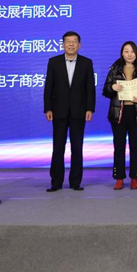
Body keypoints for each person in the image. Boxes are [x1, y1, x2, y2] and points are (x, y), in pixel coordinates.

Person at [43, 31, 95, 192]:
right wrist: (48, 108)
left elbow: (90, 88)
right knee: (58, 147)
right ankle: (56, 182)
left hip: (79, 111)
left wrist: (90, 108)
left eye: (74, 41)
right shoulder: (54, 62)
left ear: (79, 45)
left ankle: (75, 182)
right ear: (63, 44)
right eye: (68, 41)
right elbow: (48, 86)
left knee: (77, 147)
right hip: (58, 110)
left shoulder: (86, 63)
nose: (71, 44)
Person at [102, 41, 137, 190]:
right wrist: (112, 87)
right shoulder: (115, 69)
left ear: (136, 53)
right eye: (126, 51)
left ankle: (135, 177)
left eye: (132, 51)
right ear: (122, 53)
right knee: (119, 146)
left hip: (136, 112)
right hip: (118, 112)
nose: (129, 54)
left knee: (135, 146)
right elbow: (105, 90)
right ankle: (119, 178)